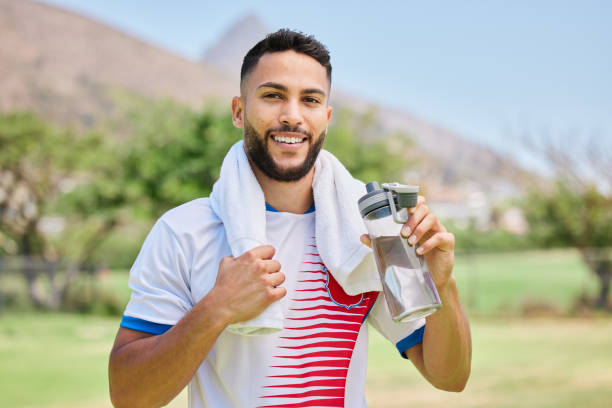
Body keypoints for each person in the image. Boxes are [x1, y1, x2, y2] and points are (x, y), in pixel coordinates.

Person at [109, 29, 471, 408]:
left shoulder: (367, 233)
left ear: (326, 117)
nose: (292, 116)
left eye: (310, 100)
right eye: (272, 96)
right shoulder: (183, 232)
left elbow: (449, 377)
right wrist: (216, 309)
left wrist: (442, 286)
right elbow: (128, 396)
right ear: (238, 110)